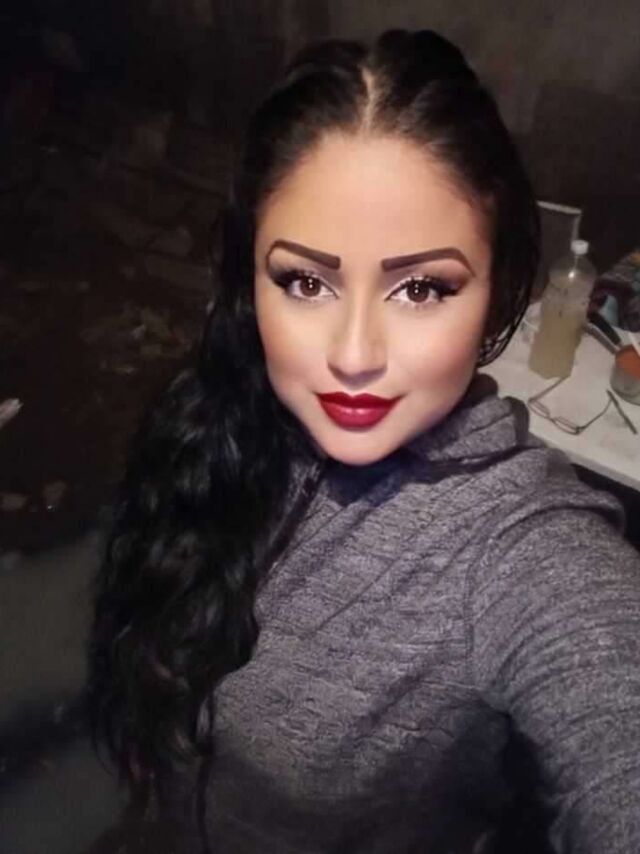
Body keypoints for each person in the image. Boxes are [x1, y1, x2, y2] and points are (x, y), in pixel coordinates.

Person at [88, 29, 640, 854]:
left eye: (421, 289)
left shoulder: (523, 555)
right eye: (305, 281)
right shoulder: (218, 410)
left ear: (497, 292)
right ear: (249, 278)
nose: (352, 356)